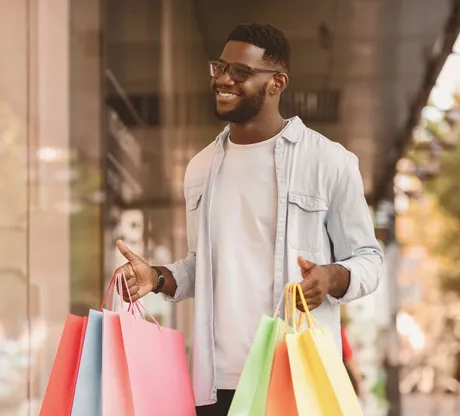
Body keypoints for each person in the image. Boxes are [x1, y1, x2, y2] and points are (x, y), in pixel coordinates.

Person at [113, 24, 383, 416]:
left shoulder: (329, 161)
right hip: (217, 384)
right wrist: (156, 277)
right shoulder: (201, 167)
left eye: (239, 72)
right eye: (219, 68)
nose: (223, 79)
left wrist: (332, 276)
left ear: (277, 82)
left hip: (295, 378)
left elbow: (369, 259)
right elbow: (199, 265)